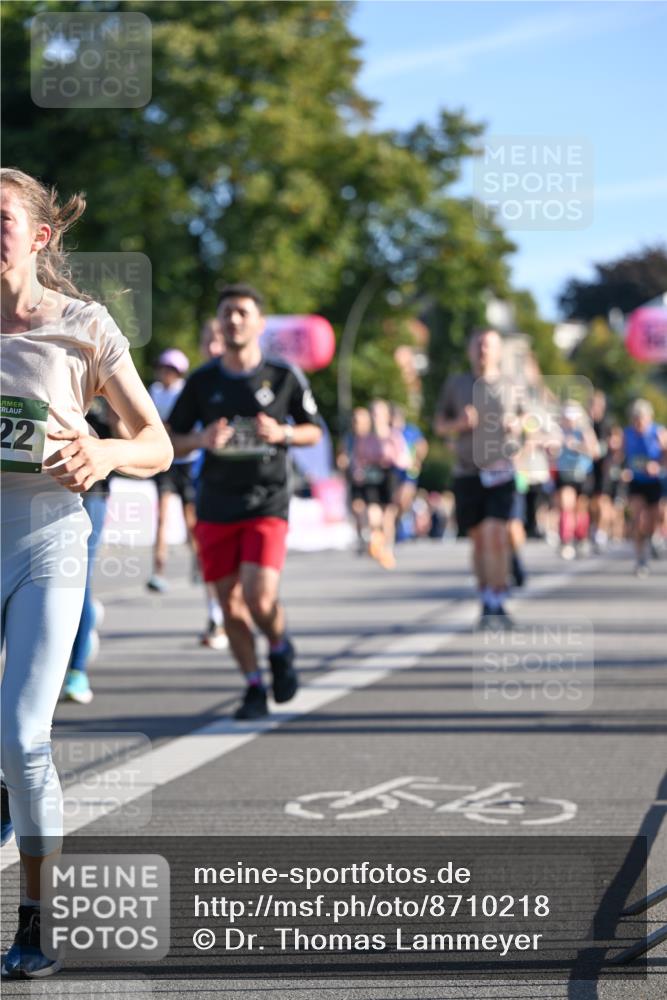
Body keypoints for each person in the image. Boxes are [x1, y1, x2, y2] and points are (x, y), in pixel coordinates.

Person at [0, 168, 172, 978]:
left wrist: (103, 452)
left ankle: (36, 917)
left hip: (48, 542)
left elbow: (156, 443)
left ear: (37, 236)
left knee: (25, 737)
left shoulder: (82, 325)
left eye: (0, 218)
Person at [167, 284, 322, 720]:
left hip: (267, 501)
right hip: (216, 504)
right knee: (230, 606)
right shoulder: (202, 382)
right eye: (226, 313)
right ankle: (254, 684)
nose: (233, 320)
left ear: (259, 322)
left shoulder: (283, 375)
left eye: (242, 312)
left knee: (258, 597)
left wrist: (283, 433)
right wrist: (201, 439)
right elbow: (169, 440)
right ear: (218, 323)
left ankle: (279, 645)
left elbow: (314, 429)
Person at [434, 328, 520, 626]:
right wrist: (458, 423)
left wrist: (517, 424)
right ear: (471, 350)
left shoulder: (512, 385)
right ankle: (486, 597)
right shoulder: (456, 384)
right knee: (479, 540)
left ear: (498, 351)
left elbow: (534, 421)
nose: (483, 350)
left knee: (497, 535)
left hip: (500, 471)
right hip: (466, 472)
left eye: (488, 345)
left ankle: (498, 598)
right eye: (478, 345)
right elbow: (439, 425)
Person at [146, 348, 199, 593]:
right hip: (164, 460)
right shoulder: (154, 391)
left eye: (171, 370)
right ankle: (158, 570)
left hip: (186, 461)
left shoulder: (186, 392)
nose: (165, 373)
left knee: (190, 519)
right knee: (162, 518)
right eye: (163, 368)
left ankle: (199, 564)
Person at [622, 399, 666, 576]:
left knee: (657, 517)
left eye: (641, 418)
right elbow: (619, 456)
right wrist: (620, 468)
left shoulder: (659, 432)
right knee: (639, 520)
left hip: (656, 481)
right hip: (637, 481)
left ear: (649, 418)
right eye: (635, 418)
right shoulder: (627, 434)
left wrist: (658, 465)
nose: (638, 422)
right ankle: (641, 560)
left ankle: (655, 538)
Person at [553, 401, 599, 560]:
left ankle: (581, 537)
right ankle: (565, 539)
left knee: (580, 509)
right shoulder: (558, 431)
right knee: (566, 505)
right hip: (565, 474)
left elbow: (595, 452)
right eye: (566, 417)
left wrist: (578, 445)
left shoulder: (584, 430)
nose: (569, 420)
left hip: (583, 474)